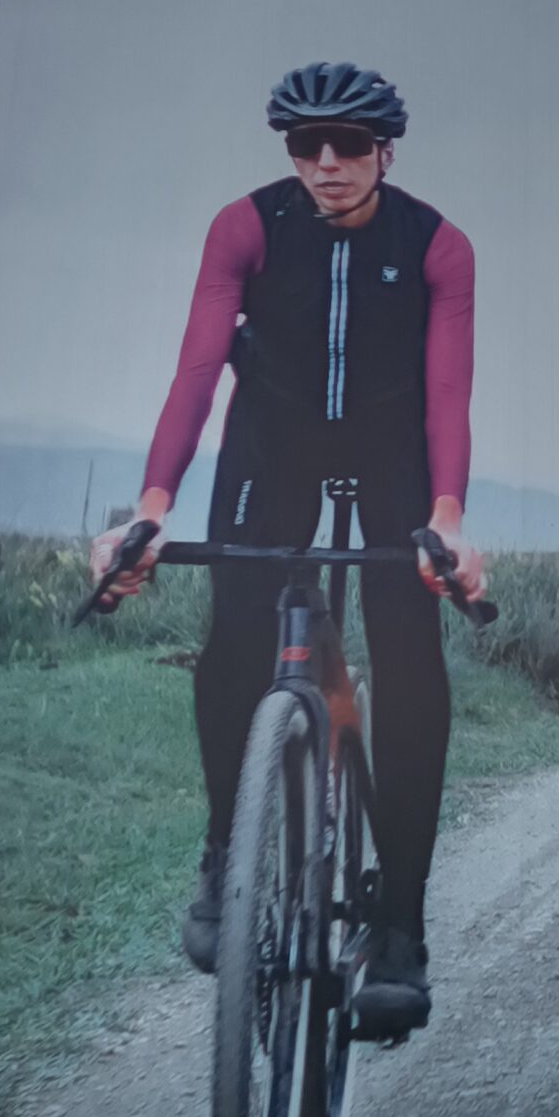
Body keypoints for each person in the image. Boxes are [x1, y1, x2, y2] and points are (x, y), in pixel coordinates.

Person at [90, 61, 485, 1038]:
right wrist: (151, 509)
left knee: (410, 656)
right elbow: (196, 372)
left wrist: (447, 518)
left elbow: (448, 392)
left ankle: (400, 927)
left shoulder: (437, 246)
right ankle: (227, 854)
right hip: (273, 444)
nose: (326, 163)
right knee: (236, 632)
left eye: (348, 145)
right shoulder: (246, 227)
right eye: (306, 144)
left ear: (385, 152)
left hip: (392, 454)